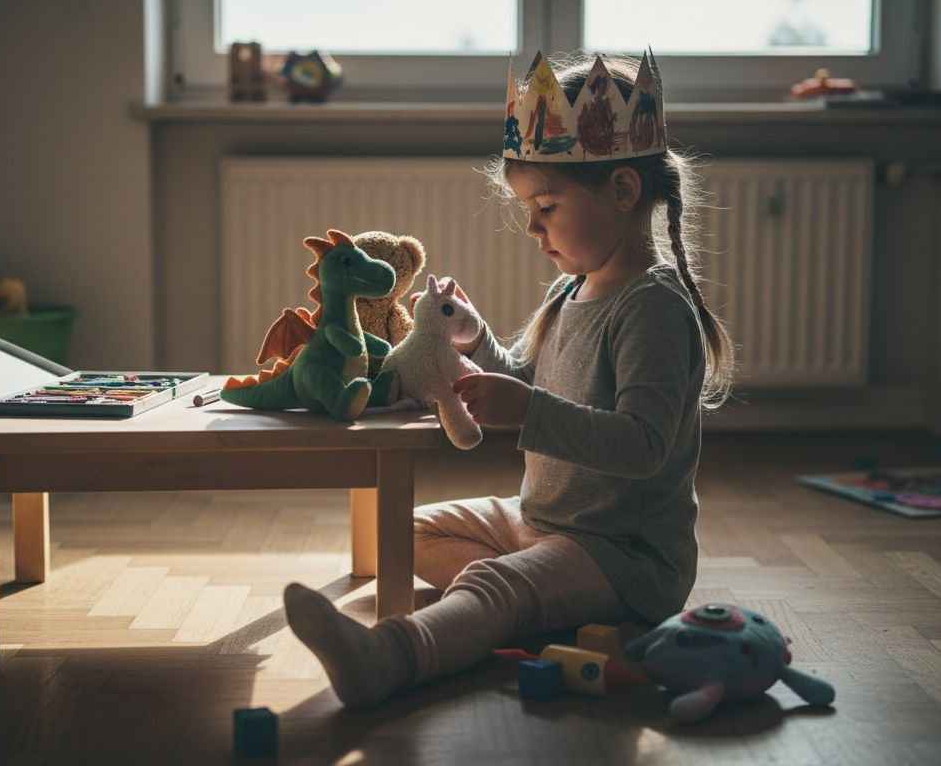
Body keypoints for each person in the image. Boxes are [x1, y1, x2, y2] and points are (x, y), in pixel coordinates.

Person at [282, 50, 735, 708]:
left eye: (546, 205)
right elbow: (526, 375)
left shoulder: (655, 309)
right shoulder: (569, 288)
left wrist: (528, 412)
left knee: (496, 589)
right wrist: (477, 339)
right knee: (400, 532)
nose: (531, 227)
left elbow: (643, 446)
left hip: (625, 557)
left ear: (623, 192)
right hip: (539, 520)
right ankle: (520, 601)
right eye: (528, 207)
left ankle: (391, 655)